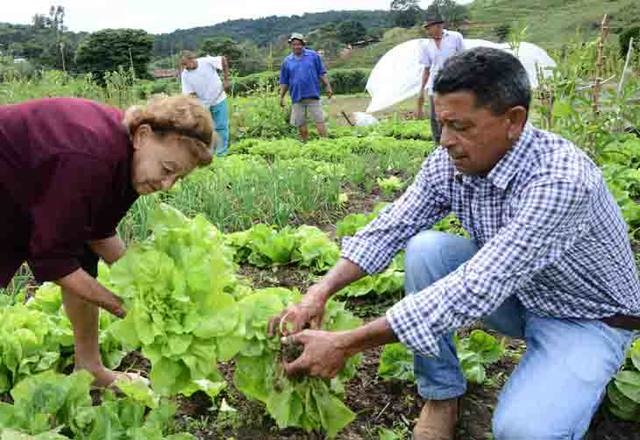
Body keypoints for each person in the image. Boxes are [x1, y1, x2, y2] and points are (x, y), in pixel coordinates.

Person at [271, 48, 640, 439]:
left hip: (584, 317)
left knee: (523, 431)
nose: (445, 140)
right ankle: (442, 394)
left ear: (513, 120)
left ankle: (573, 379)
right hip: (521, 295)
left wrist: (345, 344)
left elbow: (476, 287)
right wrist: (320, 290)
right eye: (441, 123)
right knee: (426, 250)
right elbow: (392, 225)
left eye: (461, 126)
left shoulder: (561, 181)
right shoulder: (451, 161)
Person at [0, 95, 214, 388]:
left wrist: (148, 285)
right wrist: (123, 307)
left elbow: (98, 233)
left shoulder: (132, 161)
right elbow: (55, 261)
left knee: (84, 262)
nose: (166, 185)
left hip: (18, 190)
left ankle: (89, 368)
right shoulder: (91, 158)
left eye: (177, 178)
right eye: (166, 170)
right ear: (143, 135)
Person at [416, 14, 464, 144]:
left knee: (452, 115)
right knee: (435, 118)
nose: (427, 31)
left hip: (454, 84)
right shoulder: (425, 45)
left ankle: (454, 143)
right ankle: (438, 146)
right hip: (434, 86)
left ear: (438, 26)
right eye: (426, 28)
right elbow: (426, 69)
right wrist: (421, 92)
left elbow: (463, 59)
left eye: (429, 28)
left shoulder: (455, 37)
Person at [279, 32, 333, 141]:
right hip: (297, 96)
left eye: (299, 44)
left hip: (312, 94)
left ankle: (325, 143)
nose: (296, 46)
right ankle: (305, 143)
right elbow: (284, 82)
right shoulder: (287, 61)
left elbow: (321, 73)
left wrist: (328, 87)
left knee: (319, 120)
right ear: (291, 45)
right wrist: (281, 97)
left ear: (303, 44)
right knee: (301, 123)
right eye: (294, 44)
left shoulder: (313, 56)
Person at [181, 50, 230, 156]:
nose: (185, 67)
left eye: (186, 63)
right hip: (204, 104)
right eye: (183, 65)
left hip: (219, 98)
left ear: (192, 59)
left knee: (221, 126)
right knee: (207, 129)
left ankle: (222, 153)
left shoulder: (206, 62)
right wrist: (196, 106)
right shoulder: (185, 75)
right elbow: (190, 93)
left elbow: (223, 59)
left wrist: (226, 80)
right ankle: (209, 152)